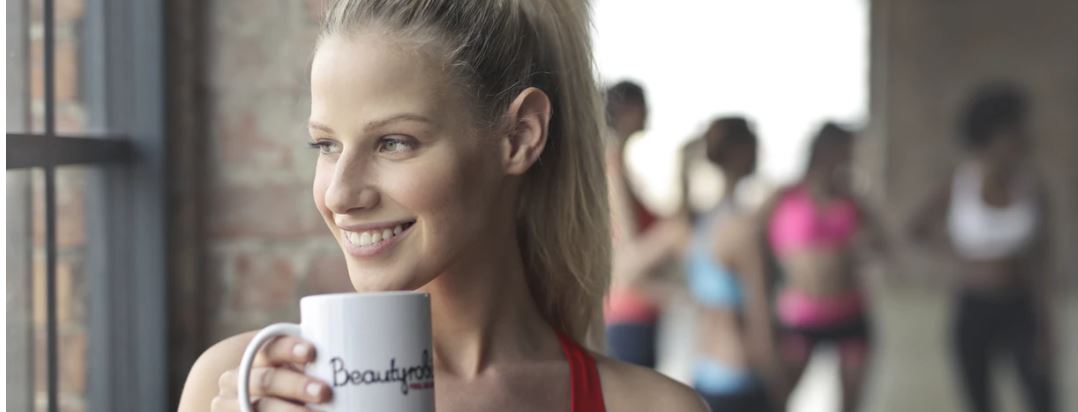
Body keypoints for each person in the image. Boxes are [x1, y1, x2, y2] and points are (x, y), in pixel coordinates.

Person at [178, 0, 706, 411]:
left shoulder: (652, 407)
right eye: (326, 145)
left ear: (520, 136)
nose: (340, 194)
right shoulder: (241, 386)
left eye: (394, 142)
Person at [909, 84, 1054, 412]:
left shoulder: (1032, 187)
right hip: (974, 307)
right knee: (979, 399)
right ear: (993, 135)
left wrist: (1048, 323)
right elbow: (916, 229)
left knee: (1041, 395)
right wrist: (959, 257)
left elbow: (1044, 260)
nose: (1023, 137)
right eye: (1014, 130)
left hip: (1021, 306)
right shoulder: (960, 183)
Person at [762, 122, 888, 412]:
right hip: (801, 316)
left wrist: (865, 244)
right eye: (842, 151)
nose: (846, 158)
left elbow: (883, 245)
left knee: (850, 404)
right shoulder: (786, 196)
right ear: (821, 151)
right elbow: (750, 236)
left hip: (850, 312)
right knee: (777, 398)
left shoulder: (852, 200)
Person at [681, 117, 781, 411]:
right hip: (742, 379)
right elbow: (761, 322)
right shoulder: (744, 231)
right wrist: (780, 389)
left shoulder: (696, 226)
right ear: (740, 152)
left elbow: (626, 268)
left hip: (703, 374)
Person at [604, 80, 666, 368]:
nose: (649, 112)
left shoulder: (618, 166)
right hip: (627, 315)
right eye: (644, 105)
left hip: (632, 315)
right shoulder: (612, 165)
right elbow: (629, 257)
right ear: (626, 110)